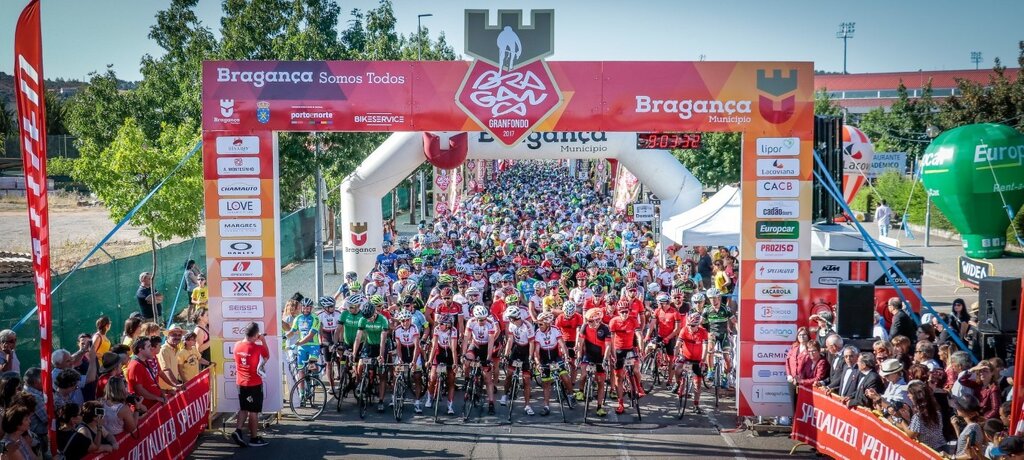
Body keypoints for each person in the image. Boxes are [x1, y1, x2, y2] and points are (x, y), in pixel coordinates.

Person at [232, 322, 270, 448]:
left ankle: (238, 431)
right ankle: (254, 438)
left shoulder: (237, 345)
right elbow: (266, 356)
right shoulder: (257, 348)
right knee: (253, 412)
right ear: (255, 335)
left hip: (241, 383)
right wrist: (263, 340)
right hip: (253, 384)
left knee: (244, 408)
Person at [576, 308, 612, 417]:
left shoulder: (605, 329)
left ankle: (599, 407)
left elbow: (608, 346)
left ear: (598, 320)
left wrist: (605, 359)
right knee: (583, 374)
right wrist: (579, 356)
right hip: (589, 355)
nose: (588, 323)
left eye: (591, 321)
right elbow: (580, 343)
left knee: (601, 382)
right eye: (588, 320)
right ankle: (581, 391)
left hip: (600, 357)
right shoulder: (585, 327)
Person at [891, 380, 947, 452]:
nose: (908, 395)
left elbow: (911, 434)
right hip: (941, 445)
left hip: (930, 450)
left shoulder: (919, 416)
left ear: (915, 396)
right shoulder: (935, 409)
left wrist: (900, 419)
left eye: (909, 393)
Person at [674, 312, 708, 414]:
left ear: (698, 325)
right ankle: (677, 383)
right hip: (686, 357)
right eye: (688, 325)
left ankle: (696, 405)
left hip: (697, 359)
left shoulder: (703, 332)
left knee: (697, 384)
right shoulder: (684, 330)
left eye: (692, 326)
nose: (690, 327)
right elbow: (678, 344)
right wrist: (675, 356)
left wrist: (703, 360)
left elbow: (705, 347)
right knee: (677, 367)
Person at [125, 337, 165, 410]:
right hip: (143, 409)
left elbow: (152, 383)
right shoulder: (135, 365)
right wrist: (157, 397)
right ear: (140, 349)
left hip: (152, 405)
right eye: (149, 346)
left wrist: (162, 393)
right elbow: (139, 390)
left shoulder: (145, 361)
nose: (152, 348)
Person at [948, 394, 985, 460]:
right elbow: (963, 444)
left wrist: (952, 457)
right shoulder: (972, 426)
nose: (957, 408)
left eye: (959, 407)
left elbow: (971, 455)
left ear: (967, 412)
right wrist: (956, 428)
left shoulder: (973, 429)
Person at [157, 324, 186, 393]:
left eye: (179, 335)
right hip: (164, 391)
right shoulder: (164, 350)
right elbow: (166, 370)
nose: (177, 337)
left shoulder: (176, 349)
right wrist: (177, 384)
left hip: (172, 389)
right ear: (168, 336)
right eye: (174, 335)